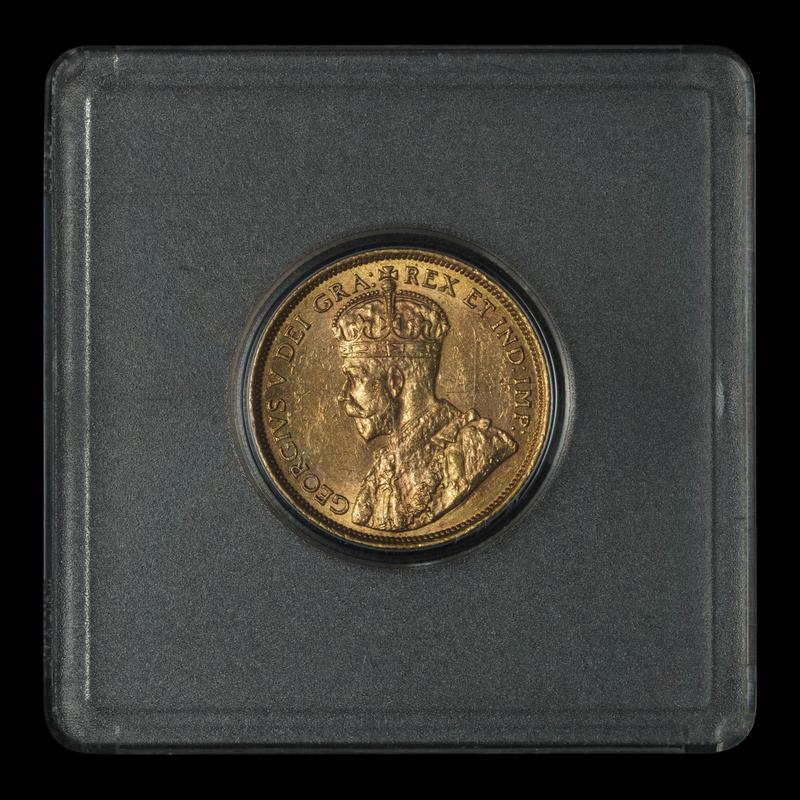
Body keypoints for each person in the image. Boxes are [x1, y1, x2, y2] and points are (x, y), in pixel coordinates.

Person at [333, 266, 517, 532]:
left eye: (354, 378)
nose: (342, 395)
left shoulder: (477, 447)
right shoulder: (386, 462)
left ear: (394, 382)